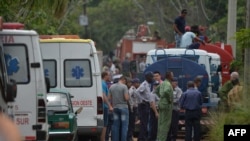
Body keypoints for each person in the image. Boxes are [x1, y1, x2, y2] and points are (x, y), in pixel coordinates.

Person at [108, 76, 129, 141]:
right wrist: (129, 96)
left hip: (115, 108)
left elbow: (109, 98)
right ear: (123, 80)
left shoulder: (111, 87)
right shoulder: (124, 87)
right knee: (124, 126)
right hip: (123, 108)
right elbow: (126, 98)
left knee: (115, 126)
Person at [156, 71, 174, 141]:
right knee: (165, 124)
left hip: (161, 104)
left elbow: (156, 90)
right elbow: (166, 91)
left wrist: (161, 96)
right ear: (169, 76)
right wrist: (169, 99)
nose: (173, 76)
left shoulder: (163, 83)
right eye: (172, 75)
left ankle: (159, 138)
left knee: (160, 123)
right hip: (166, 105)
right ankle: (162, 139)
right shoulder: (168, 84)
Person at [136, 71, 154, 141]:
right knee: (144, 123)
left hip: (146, 105)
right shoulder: (144, 84)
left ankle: (142, 137)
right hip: (144, 105)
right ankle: (141, 138)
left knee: (145, 123)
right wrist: (142, 100)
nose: (152, 78)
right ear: (147, 77)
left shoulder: (148, 84)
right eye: (151, 77)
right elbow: (137, 92)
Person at [100, 72, 113, 141]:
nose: (110, 76)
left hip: (105, 106)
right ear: (105, 76)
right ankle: (103, 139)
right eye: (109, 75)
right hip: (104, 106)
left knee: (105, 124)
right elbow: (103, 95)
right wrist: (109, 105)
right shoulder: (102, 83)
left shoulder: (104, 83)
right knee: (104, 125)